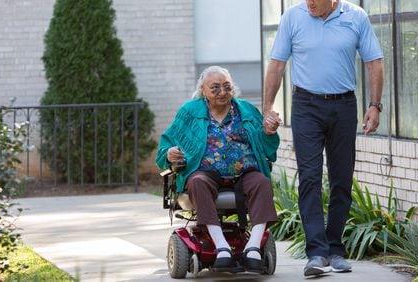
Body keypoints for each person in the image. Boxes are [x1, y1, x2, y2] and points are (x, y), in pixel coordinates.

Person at [263, 0, 384, 277]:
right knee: (309, 177)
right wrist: (268, 107)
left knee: (342, 178)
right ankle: (316, 252)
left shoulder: (356, 17)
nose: (309, 3)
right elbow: (277, 64)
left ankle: (336, 248)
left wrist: (375, 105)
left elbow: (374, 62)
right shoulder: (292, 17)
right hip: (306, 105)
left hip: (343, 106)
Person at [156, 66, 282, 272]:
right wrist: (169, 153)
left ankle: (252, 248)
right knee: (197, 181)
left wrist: (269, 133)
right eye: (214, 88)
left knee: (261, 182)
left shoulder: (247, 110)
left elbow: (268, 149)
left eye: (226, 86)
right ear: (203, 90)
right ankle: (221, 247)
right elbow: (165, 146)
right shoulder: (190, 112)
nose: (222, 92)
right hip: (205, 173)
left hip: (245, 172)